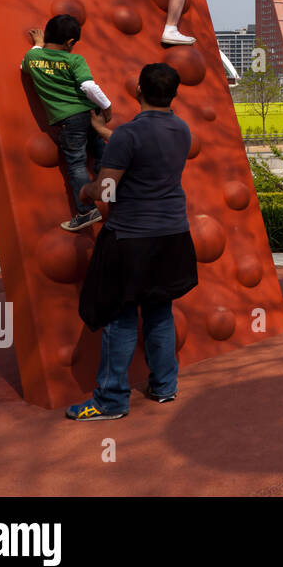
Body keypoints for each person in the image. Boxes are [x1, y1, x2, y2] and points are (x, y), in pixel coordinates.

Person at [66, 63, 198, 421]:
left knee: (119, 316)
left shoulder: (129, 135)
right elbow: (147, 152)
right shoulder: (181, 130)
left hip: (131, 239)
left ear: (138, 90)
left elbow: (105, 190)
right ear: (174, 93)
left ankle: (110, 401)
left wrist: (85, 189)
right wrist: (107, 134)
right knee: (159, 310)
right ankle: (164, 387)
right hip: (172, 236)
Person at [21, 15, 113, 232]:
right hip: (90, 114)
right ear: (70, 42)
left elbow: (25, 65)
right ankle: (113, 194)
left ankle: (86, 211)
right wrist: (107, 107)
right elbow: (88, 87)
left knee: (77, 164)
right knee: (102, 155)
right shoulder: (74, 60)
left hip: (68, 122)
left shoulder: (32, 59)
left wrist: (37, 45)